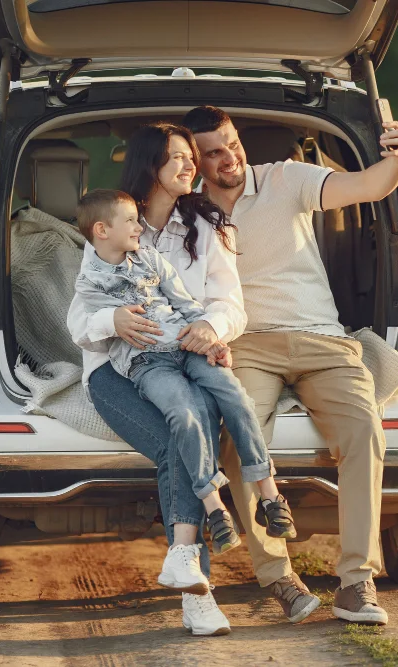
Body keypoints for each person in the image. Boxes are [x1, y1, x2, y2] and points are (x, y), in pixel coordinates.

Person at [66, 123, 320, 637]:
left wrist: (211, 327)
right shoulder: (116, 224)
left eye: (190, 157)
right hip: (119, 368)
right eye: (179, 158)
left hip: (188, 350)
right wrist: (110, 323)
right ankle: (197, 592)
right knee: (180, 437)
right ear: (150, 167)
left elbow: (231, 304)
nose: (191, 166)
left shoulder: (209, 226)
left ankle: (190, 574)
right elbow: (79, 321)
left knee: (198, 419)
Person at [181, 105, 398, 625]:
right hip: (248, 346)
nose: (230, 158)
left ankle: (356, 581)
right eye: (213, 152)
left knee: (363, 428)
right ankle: (280, 579)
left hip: (322, 340)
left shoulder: (286, 177)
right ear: (194, 160)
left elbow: (371, 185)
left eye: (232, 144)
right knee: (241, 440)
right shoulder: (187, 214)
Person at [71, 188, 297, 562]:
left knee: (236, 397)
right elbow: (84, 328)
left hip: (187, 347)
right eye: (129, 220)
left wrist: (212, 339)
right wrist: (112, 320)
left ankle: (271, 496)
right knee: (184, 414)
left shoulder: (150, 258)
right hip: (147, 363)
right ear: (101, 230)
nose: (137, 227)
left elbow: (186, 304)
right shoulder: (89, 283)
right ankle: (215, 507)